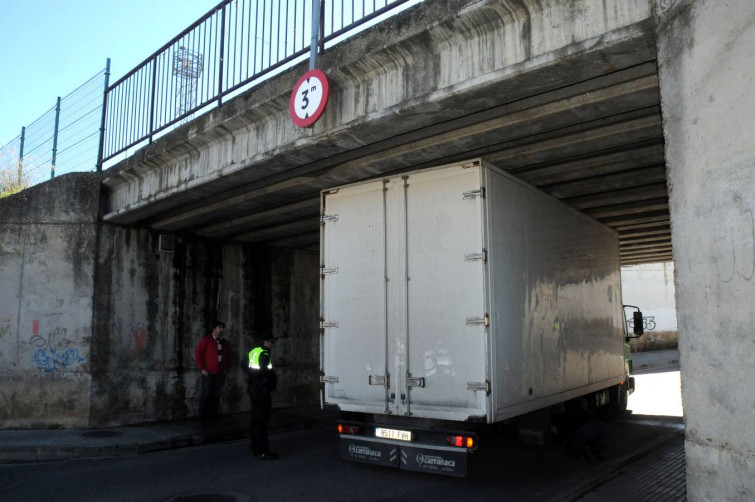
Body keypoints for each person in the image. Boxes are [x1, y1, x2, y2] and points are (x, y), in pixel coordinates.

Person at [242, 336, 278, 459]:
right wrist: (265, 384)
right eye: (271, 341)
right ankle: (263, 451)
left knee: (255, 419)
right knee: (262, 421)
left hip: (253, 388)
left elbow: (243, 364)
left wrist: (253, 377)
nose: (272, 344)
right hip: (261, 391)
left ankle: (254, 448)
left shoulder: (254, 351)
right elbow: (265, 372)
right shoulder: (264, 353)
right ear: (265, 341)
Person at [194, 321, 232, 429]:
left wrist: (226, 369)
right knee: (206, 395)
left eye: (223, 328)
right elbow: (198, 354)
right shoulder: (206, 340)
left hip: (220, 374)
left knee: (216, 396)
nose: (222, 329)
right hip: (208, 373)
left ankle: (212, 418)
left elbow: (229, 357)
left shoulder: (225, 343)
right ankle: (202, 419)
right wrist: (202, 368)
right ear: (214, 329)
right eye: (220, 327)